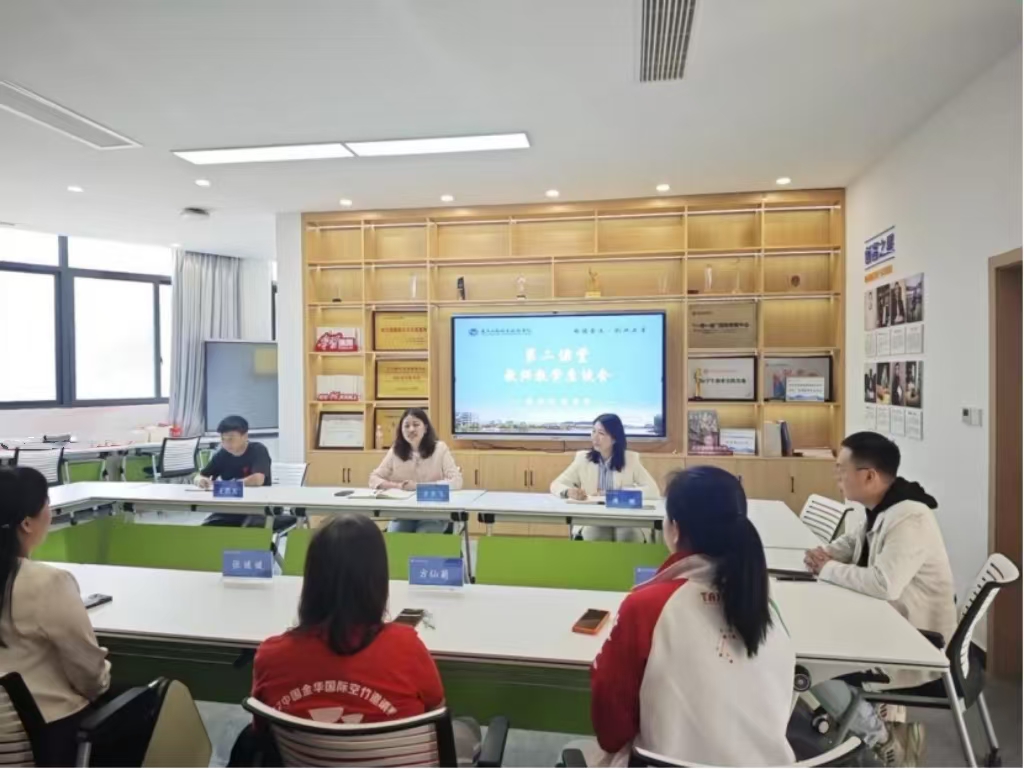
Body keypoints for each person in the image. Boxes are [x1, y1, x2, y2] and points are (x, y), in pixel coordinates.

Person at [573, 466, 795, 766]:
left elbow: (611, 731)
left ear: (674, 529)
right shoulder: (767, 605)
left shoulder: (647, 607)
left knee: (584, 750)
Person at [234, 515, 479, 765]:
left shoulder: (271, 656)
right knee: (467, 726)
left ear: (311, 577)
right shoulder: (406, 647)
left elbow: (262, 732)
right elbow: (435, 712)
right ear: (377, 579)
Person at [804, 432, 955, 766]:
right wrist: (826, 553)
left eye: (842, 468)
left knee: (808, 663)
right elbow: (855, 542)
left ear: (869, 476)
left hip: (914, 642)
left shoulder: (910, 517)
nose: (837, 475)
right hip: (883, 625)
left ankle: (880, 737)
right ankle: (875, 720)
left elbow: (883, 583)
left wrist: (827, 568)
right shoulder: (883, 505)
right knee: (813, 637)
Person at [0, 467, 111, 766]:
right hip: (35, 741)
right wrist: (104, 675)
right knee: (149, 701)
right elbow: (91, 678)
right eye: (47, 503)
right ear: (27, 523)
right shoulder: (47, 582)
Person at [549, 414, 660, 542]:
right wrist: (569, 492)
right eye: (593, 431)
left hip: (626, 516)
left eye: (601, 433)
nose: (595, 437)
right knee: (597, 531)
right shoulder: (583, 459)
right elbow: (556, 484)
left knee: (627, 533)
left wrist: (616, 494)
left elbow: (653, 491)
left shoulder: (631, 459)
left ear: (614, 438)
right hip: (592, 517)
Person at [369, 409, 462, 534]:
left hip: (434, 512)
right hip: (405, 512)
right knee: (397, 532)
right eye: (406, 426)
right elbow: (374, 478)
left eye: (416, 424)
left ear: (426, 428)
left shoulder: (440, 449)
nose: (411, 429)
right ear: (401, 430)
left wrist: (419, 487)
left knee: (424, 532)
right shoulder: (395, 451)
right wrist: (398, 486)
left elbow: (456, 481)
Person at [199, 415, 273, 527]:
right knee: (208, 526)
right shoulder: (222, 454)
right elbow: (200, 475)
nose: (226, 443)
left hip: (257, 507)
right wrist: (200, 480)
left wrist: (227, 485)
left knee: (249, 527)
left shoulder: (258, 450)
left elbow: (258, 480)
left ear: (245, 436)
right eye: (223, 439)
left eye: (231, 439)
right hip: (232, 506)